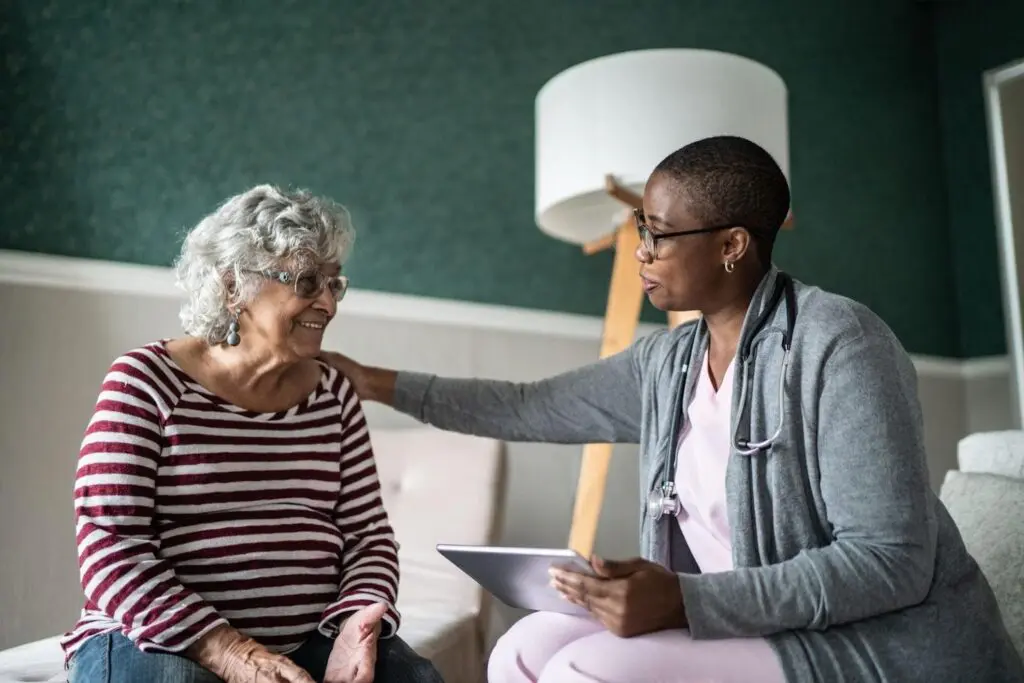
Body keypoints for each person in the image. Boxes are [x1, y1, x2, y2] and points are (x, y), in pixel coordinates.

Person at [320, 136, 1024, 683]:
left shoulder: (841, 343)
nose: (642, 253)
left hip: (869, 644)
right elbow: (530, 407)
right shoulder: (670, 362)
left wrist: (687, 600)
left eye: (657, 233)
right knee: (522, 649)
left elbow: (890, 561)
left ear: (731, 245)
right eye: (640, 229)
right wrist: (371, 381)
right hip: (747, 624)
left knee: (577, 671)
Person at [61, 185, 445, 683]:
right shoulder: (145, 381)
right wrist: (227, 651)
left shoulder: (334, 396)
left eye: (335, 284)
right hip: (157, 638)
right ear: (232, 284)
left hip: (310, 639)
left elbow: (367, 537)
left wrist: (356, 622)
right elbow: (109, 541)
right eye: (307, 282)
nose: (328, 304)